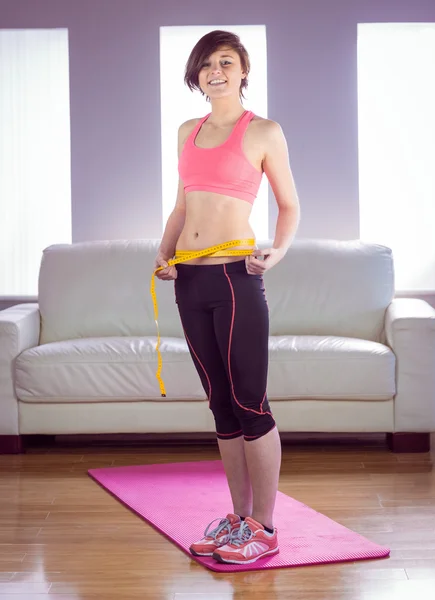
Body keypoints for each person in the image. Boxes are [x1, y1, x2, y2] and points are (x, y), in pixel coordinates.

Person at [154, 29, 300, 565]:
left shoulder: (262, 131)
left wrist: (277, 252)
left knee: (249, 403)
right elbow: (180, 207)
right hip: (190, 280)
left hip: (237, 280)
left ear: (243, 71)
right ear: (196, 75)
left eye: (225, 62)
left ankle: (265, 526)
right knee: (219, 404)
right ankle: (237, 520)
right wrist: (164, 252)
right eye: (206, 64)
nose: (215, 71)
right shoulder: (186, 131)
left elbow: (289, 205)